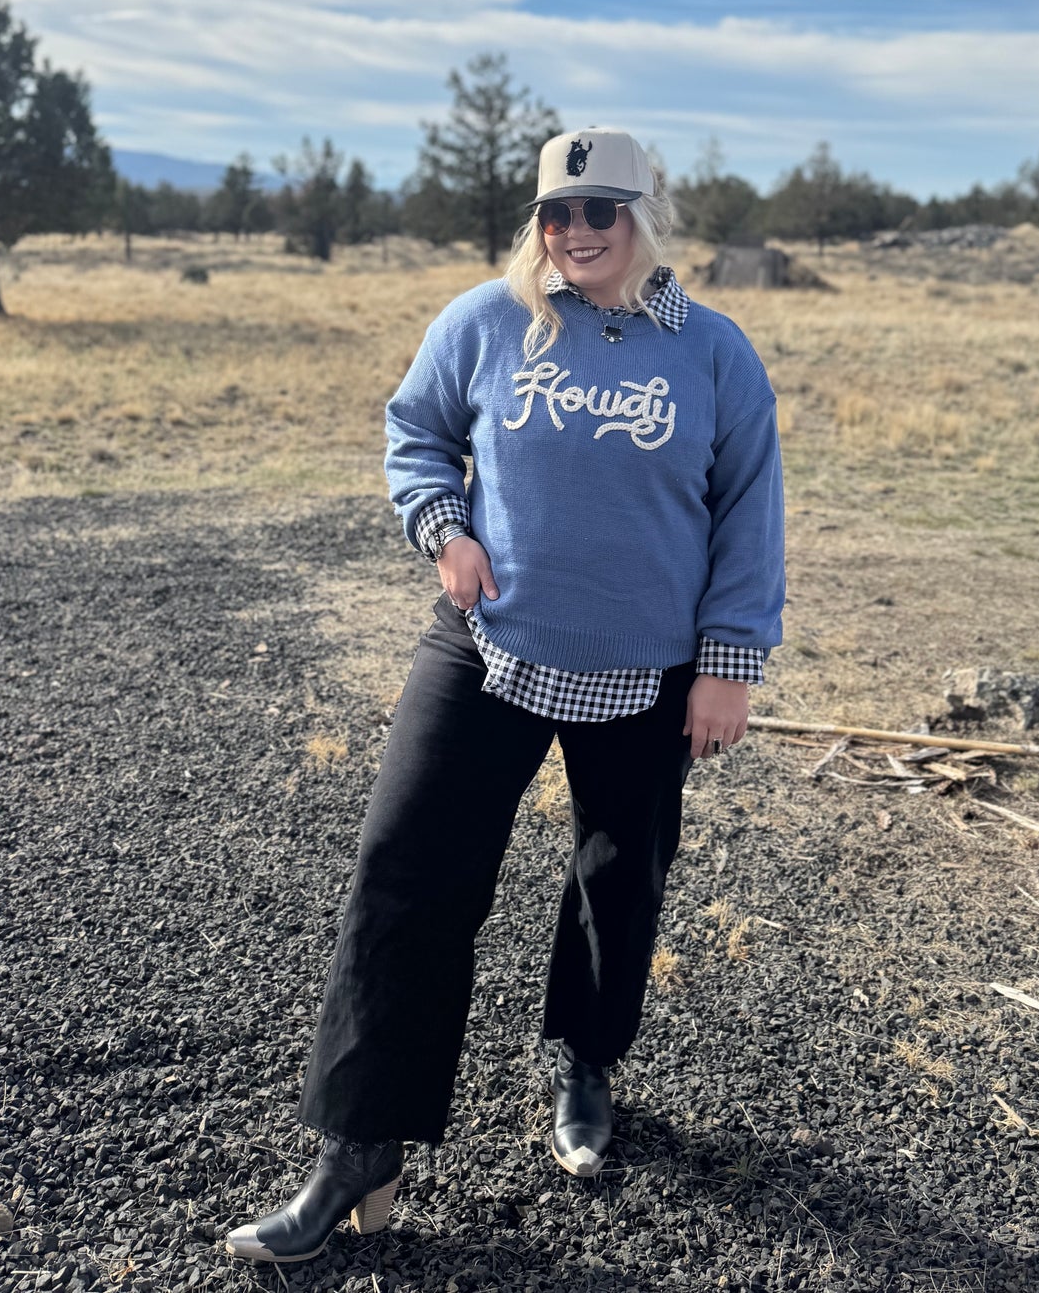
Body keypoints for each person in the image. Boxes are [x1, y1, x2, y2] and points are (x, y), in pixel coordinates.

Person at [226, 127, 785, 1266]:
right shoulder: (484, 320)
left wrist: (728, 661)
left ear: (644, 219)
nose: (576, 233)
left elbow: (747, 510)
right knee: (404, 874)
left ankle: (582, 1063)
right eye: (557, 213)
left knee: (616, 875)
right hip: (486, 645)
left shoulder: (715, 354)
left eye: (601, 212)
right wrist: (442, 532)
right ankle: (358, 1143)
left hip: (649, 667)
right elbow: (414, 433)